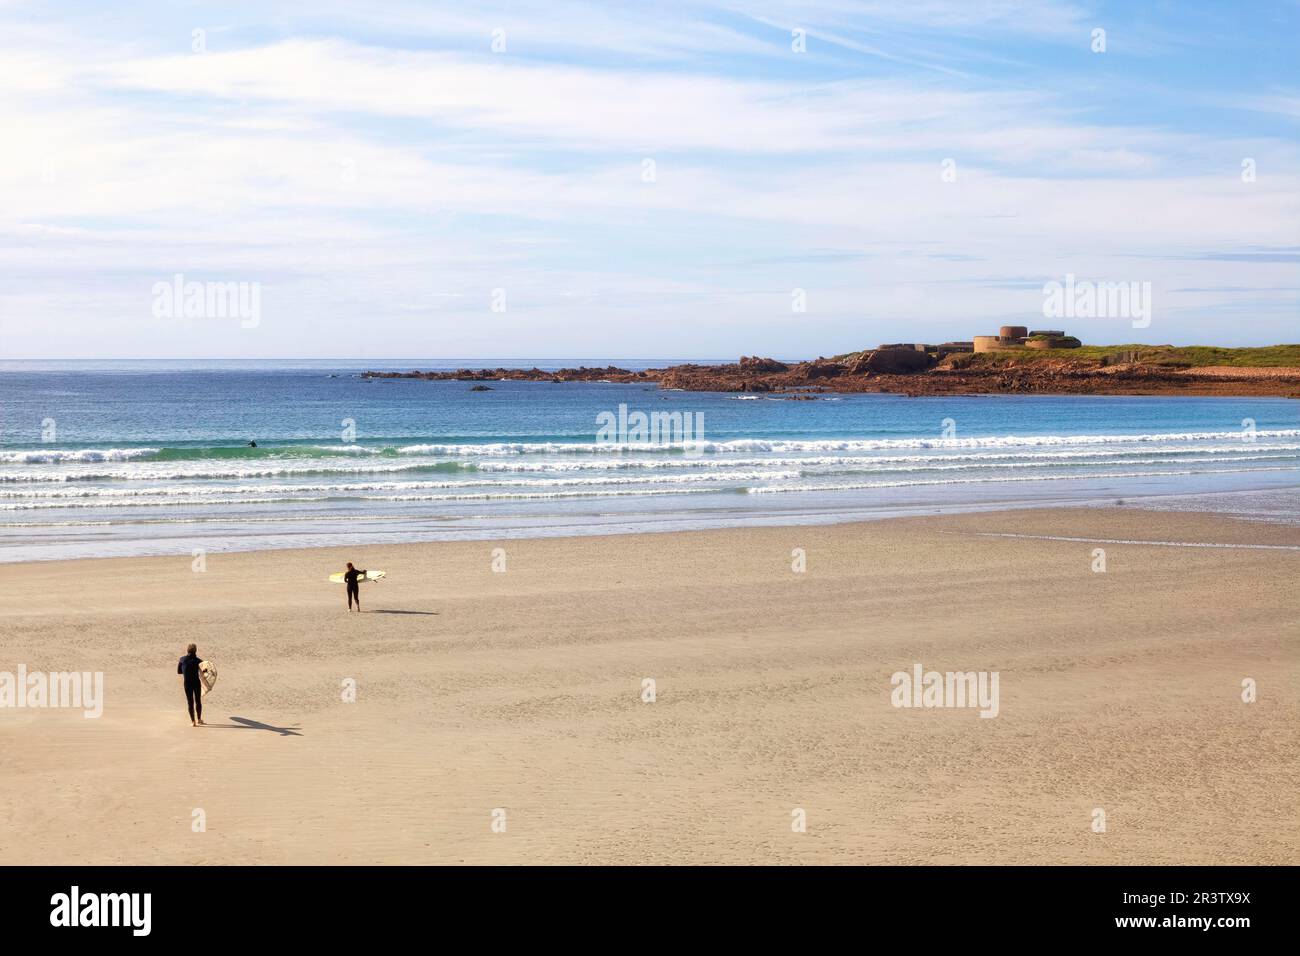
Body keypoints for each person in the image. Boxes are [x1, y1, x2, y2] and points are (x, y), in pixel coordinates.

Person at [177, 643, 205, 726]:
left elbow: (179, 672)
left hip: (187, 683)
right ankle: (199, 719)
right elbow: (204, 672)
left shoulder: (182, 660)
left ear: (187, 650)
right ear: (195, 651)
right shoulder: (199, 661)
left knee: (190, 702)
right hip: (196, 683)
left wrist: (186, 670)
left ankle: (193, 722)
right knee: (198, 701)